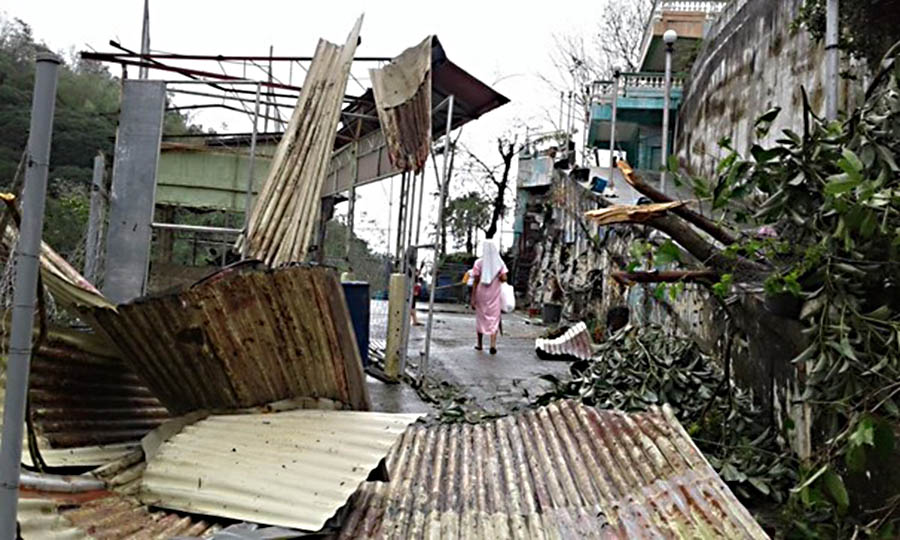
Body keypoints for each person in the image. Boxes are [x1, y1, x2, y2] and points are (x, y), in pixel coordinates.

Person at [470, 239, 508, 355]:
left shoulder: (478, 263)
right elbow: (504, 278)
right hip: (494, 295)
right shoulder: (499, 263)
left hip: (481, 294)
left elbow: (475, 280)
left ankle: (480, 344)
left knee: (481, 318)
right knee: (494, 318)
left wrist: (473, 297)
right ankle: (492, 345)